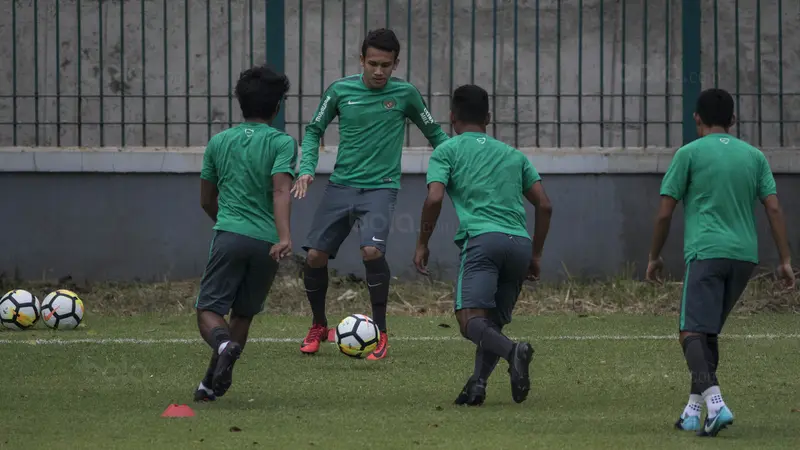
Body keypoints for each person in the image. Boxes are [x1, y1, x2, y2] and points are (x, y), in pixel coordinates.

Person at [291, 28, 449, 360]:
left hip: (380, 189)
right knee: (315, 257)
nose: (379, 71)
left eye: (386, 65)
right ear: (361, 60)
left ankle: (380, 333)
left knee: (371, 252)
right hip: (341, 186)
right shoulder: (339, 91)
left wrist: (459, 163)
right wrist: (306, 166)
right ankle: (319, 325)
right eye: (373, 63)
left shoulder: (406, 94)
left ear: (395, 64)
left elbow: (435, 132)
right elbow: (314, 130)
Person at [645, 88, 795, 436]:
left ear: (696, 118)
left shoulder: (689, 154)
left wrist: (654, 256)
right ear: (732, 120)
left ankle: (716, 403)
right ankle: (692, 412)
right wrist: (785, 259)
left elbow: (665, 214)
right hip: (744, 258)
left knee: (689, 332)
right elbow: (773, 207)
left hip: (706, 252)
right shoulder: (754, 156)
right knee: (707, 333)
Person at [413, 84, 553, 406]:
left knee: (469, 321)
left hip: (483, 241)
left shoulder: (446, 151)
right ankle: (477, 385)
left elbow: (434, 197)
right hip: (518, 243)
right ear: (488, 118)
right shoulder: (513, 155)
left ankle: (513, 351)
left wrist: (422, 242)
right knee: (492, 322)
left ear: (451, 118)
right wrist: (536, 254)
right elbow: (545, 205)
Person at [192, 65, 297, 401]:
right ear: (278, 106)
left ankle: (223, 344)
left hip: (229, 234)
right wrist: (283, 237)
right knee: (244, 312)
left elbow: (206, 199)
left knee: (208, 309)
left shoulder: (219, 142)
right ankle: (210, 383)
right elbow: (281, 190)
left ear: (240, 102)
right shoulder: (283, 143)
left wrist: (225, 221)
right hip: (267, 242)